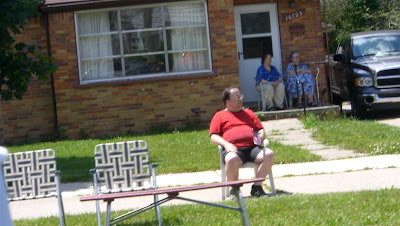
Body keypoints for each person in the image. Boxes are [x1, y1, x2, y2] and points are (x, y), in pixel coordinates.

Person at [209, 87, 274, 198]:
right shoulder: (219, 115)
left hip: (253, 148)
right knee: (231, 159)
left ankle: (257, 187)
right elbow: (213, 136)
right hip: (234, 149)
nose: (240, 99)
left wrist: (261, 135)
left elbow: (260, 129)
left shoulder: (249, 113)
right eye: (236, 97)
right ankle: (234, 190)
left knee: (269, 154)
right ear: (227, 102)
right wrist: (226, 144)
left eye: (240, 96)